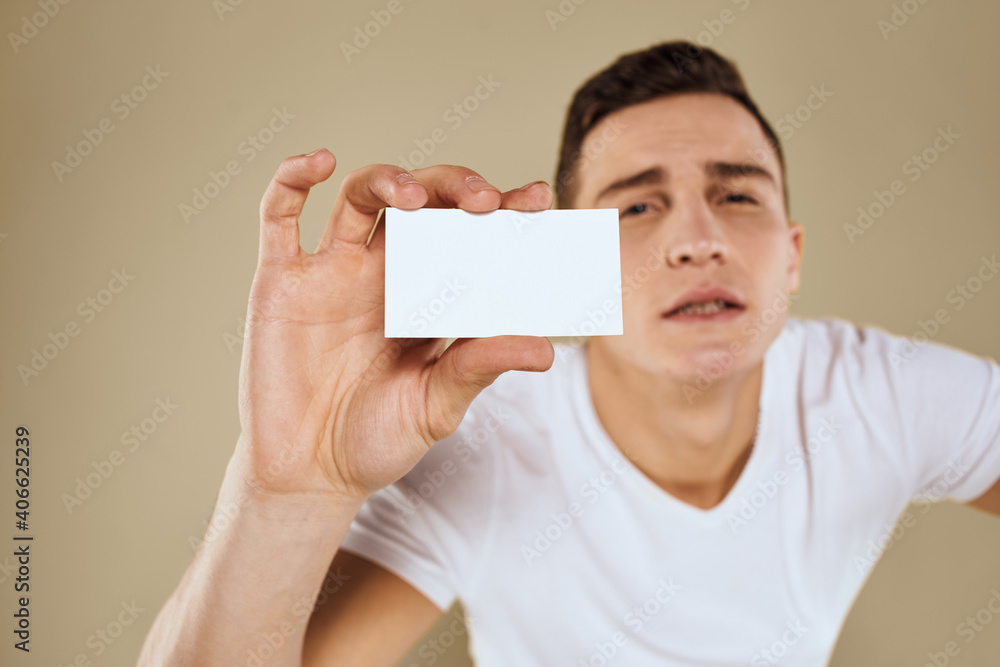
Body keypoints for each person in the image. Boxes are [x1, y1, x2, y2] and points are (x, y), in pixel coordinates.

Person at [137, 41, 1000, 666]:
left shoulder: (887, 395)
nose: (697, 239)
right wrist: (292, 486)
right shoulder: (482, 443)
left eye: (737, 195)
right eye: (637, 207)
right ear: (571, 259)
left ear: (793, 254)